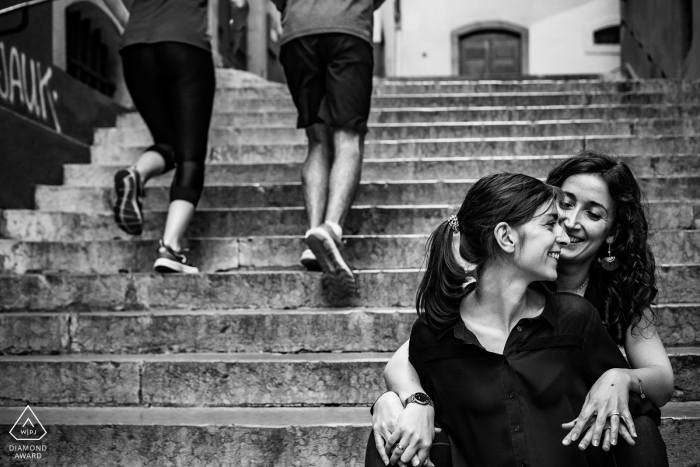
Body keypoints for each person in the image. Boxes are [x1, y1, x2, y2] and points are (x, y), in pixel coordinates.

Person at [368, 151, 673, 467]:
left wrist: (620, 376)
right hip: (500, 431)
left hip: (577, 434)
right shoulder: (498, 289)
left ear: (612, 233)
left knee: (642, 428)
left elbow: (661, 381)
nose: (569, 223)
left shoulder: (601, 302)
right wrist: (405, 401)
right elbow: (411, 359)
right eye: (563, 207)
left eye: (592, 214)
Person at [275, 0, 385, 295]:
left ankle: (313, 237)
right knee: (348, 137)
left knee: (317, 139)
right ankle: (331, 228)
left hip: (299, 32)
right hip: (347, 27)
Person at [103, 0, 216, 273]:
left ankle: (136, 174)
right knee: (190, 154)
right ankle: (171, 248)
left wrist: (131, 19)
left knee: (169, 142)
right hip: (185, 42)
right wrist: (238, 22)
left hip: (136, 47)